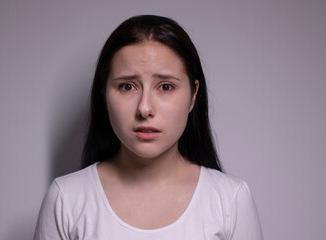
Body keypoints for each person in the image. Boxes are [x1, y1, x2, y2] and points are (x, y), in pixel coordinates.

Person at [34, 15, 263, 240]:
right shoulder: (66, 199)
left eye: (165, 86)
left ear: (193, 95)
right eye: (127, 86)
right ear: (104, 92)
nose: (144, 108)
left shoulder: (231, 200)